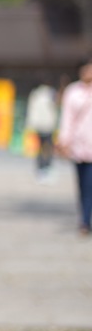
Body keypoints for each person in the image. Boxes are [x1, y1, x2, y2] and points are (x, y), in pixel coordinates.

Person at [56, 58, 92, 236]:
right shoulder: (72, 92)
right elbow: (67, 119)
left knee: (90, 184)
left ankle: (86, 220)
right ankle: (84, 220)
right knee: (83, 186)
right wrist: (64, 141)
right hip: (78, 146)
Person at [25, 82, 58, 181]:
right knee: (46, 148)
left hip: (41, 125)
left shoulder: (36, 94)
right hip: (46, 125)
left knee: (43, 148)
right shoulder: (48, 93)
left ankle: (43, 168)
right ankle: (44, 168)